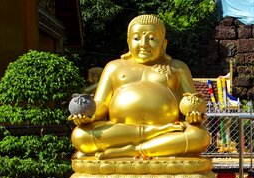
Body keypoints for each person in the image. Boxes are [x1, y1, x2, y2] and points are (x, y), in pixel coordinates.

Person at [69, 14, 210, 159]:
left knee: (200, 136)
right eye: (136, 38)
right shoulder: (114, 67)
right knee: (80, 135)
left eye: (152, 38)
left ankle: (131, 150)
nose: (144, 44)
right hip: (122, 130)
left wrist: (194, 114)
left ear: (164, 44)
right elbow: (101, 103)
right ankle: (150, 141)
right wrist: (90, 114)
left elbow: (192, 100)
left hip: (169, 131)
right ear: (129, 43)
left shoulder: (177, 68)